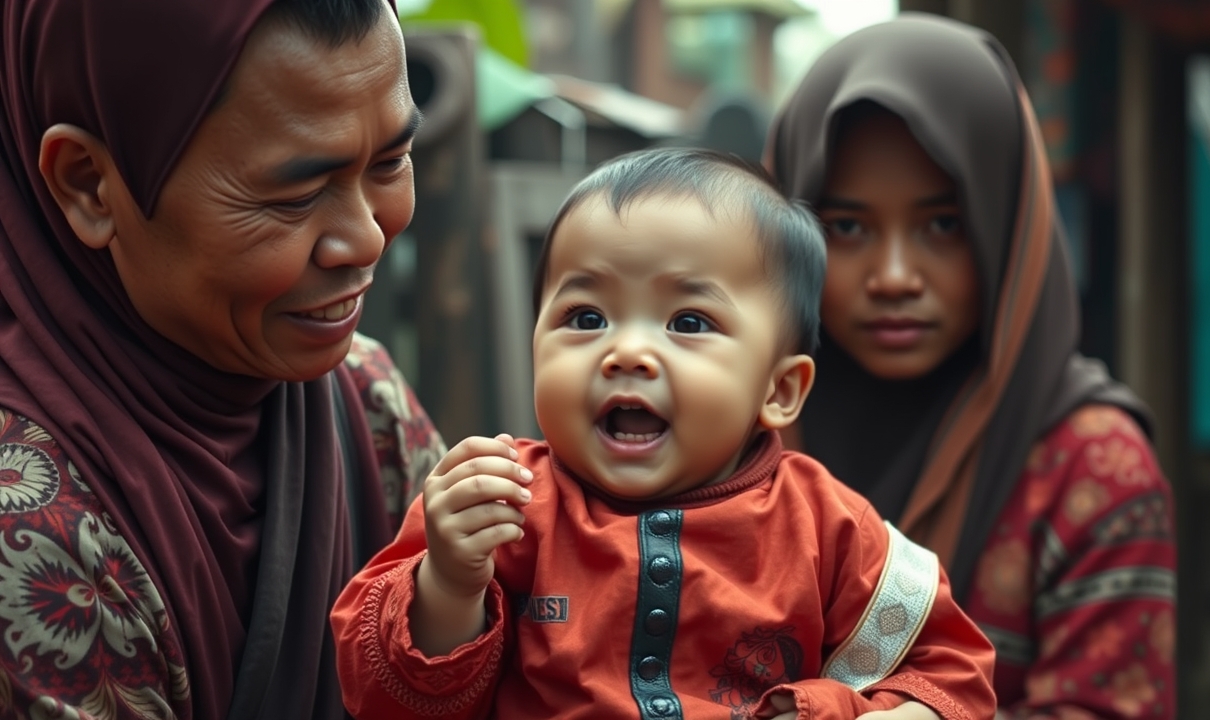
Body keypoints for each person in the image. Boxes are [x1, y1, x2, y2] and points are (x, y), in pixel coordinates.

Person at [331, 148, 997, 720]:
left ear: (779, 389)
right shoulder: (507, 505)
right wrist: (449, 582)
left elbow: (952, 673)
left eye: (688, 322)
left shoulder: (830, 528)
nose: (627, 353)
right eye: (586, 316)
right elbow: (381, 695)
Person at [0, 0, 446, 717]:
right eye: (297, 194)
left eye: (391, 160)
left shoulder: (364, 401)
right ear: (88, 181)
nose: (366, 238)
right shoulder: (31, 533)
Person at [764, 14, 1177, 719]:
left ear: (1008, 229)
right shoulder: (731, 437)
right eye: (847, 227)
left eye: (944, 224)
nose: (894, 276)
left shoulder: (1091, 467)